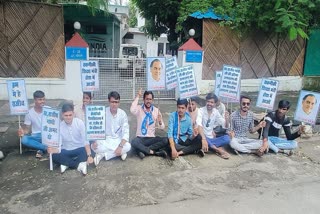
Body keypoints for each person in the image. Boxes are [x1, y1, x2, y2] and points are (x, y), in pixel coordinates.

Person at [48, 103, 93, 175]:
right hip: (66, 150)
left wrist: (89, 156)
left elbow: (85, 141)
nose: (68, 117)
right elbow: (59, 146)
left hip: (79, 148)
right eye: (66, 115)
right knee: (54, 156)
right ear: (62, 115)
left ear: (73, 114)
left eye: (70, 115)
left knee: (89, 150)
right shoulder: (59, 126)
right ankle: (79, 165)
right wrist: (53, 150)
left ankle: (66, 164)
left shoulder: (79, 123)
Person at [92, 91, 131, 166]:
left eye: (116, 102)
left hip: (118, 140)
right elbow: (96, 128)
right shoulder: (102, 112)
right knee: (93, 147)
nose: (114, 104)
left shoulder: (122, 114)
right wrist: (94, 141)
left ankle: (103, 155)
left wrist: (120, 146)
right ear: (108, 101)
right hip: (105, 139)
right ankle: (119, 153)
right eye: (112, 102)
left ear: (119, 103)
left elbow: (126, 132)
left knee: (128, 146)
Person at [130, 89, 168, 159]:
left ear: (152, 100)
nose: (148, 101)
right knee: (133, 142)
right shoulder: (139, 109)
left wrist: (160, 122)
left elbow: (162, 127)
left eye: (150, 99)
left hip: (151, 138)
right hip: (140, 138)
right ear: (144, 99)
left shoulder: (156, 111)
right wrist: (138, 96)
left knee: (166, 140)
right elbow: (132, 110)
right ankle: (154, 152)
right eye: (147, 99)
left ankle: (142, 150)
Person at [197, 93, 231, 159]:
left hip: (211, 138)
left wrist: (227, 119)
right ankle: (218, 150)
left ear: (215, 104)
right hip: (202, 136)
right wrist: (203, 139)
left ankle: (208, 147)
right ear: (205, 102)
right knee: (199, 136)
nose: (209, 104)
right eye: (208, 101)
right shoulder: (200, 111)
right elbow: (199, 125)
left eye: (212, 102)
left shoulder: (215, 112)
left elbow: (225, 125)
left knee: (227, 138)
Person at [18, 90, 47, 158]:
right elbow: (27, 130)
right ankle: (45, 148)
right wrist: (22, 132)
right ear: (35, 100)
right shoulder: (29, 113)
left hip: (47, 134)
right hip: (36, 135)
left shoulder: (49, 110)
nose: (42, 101)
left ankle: (40, 149)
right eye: (40, 99)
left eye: (43, 99)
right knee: (24, 139)